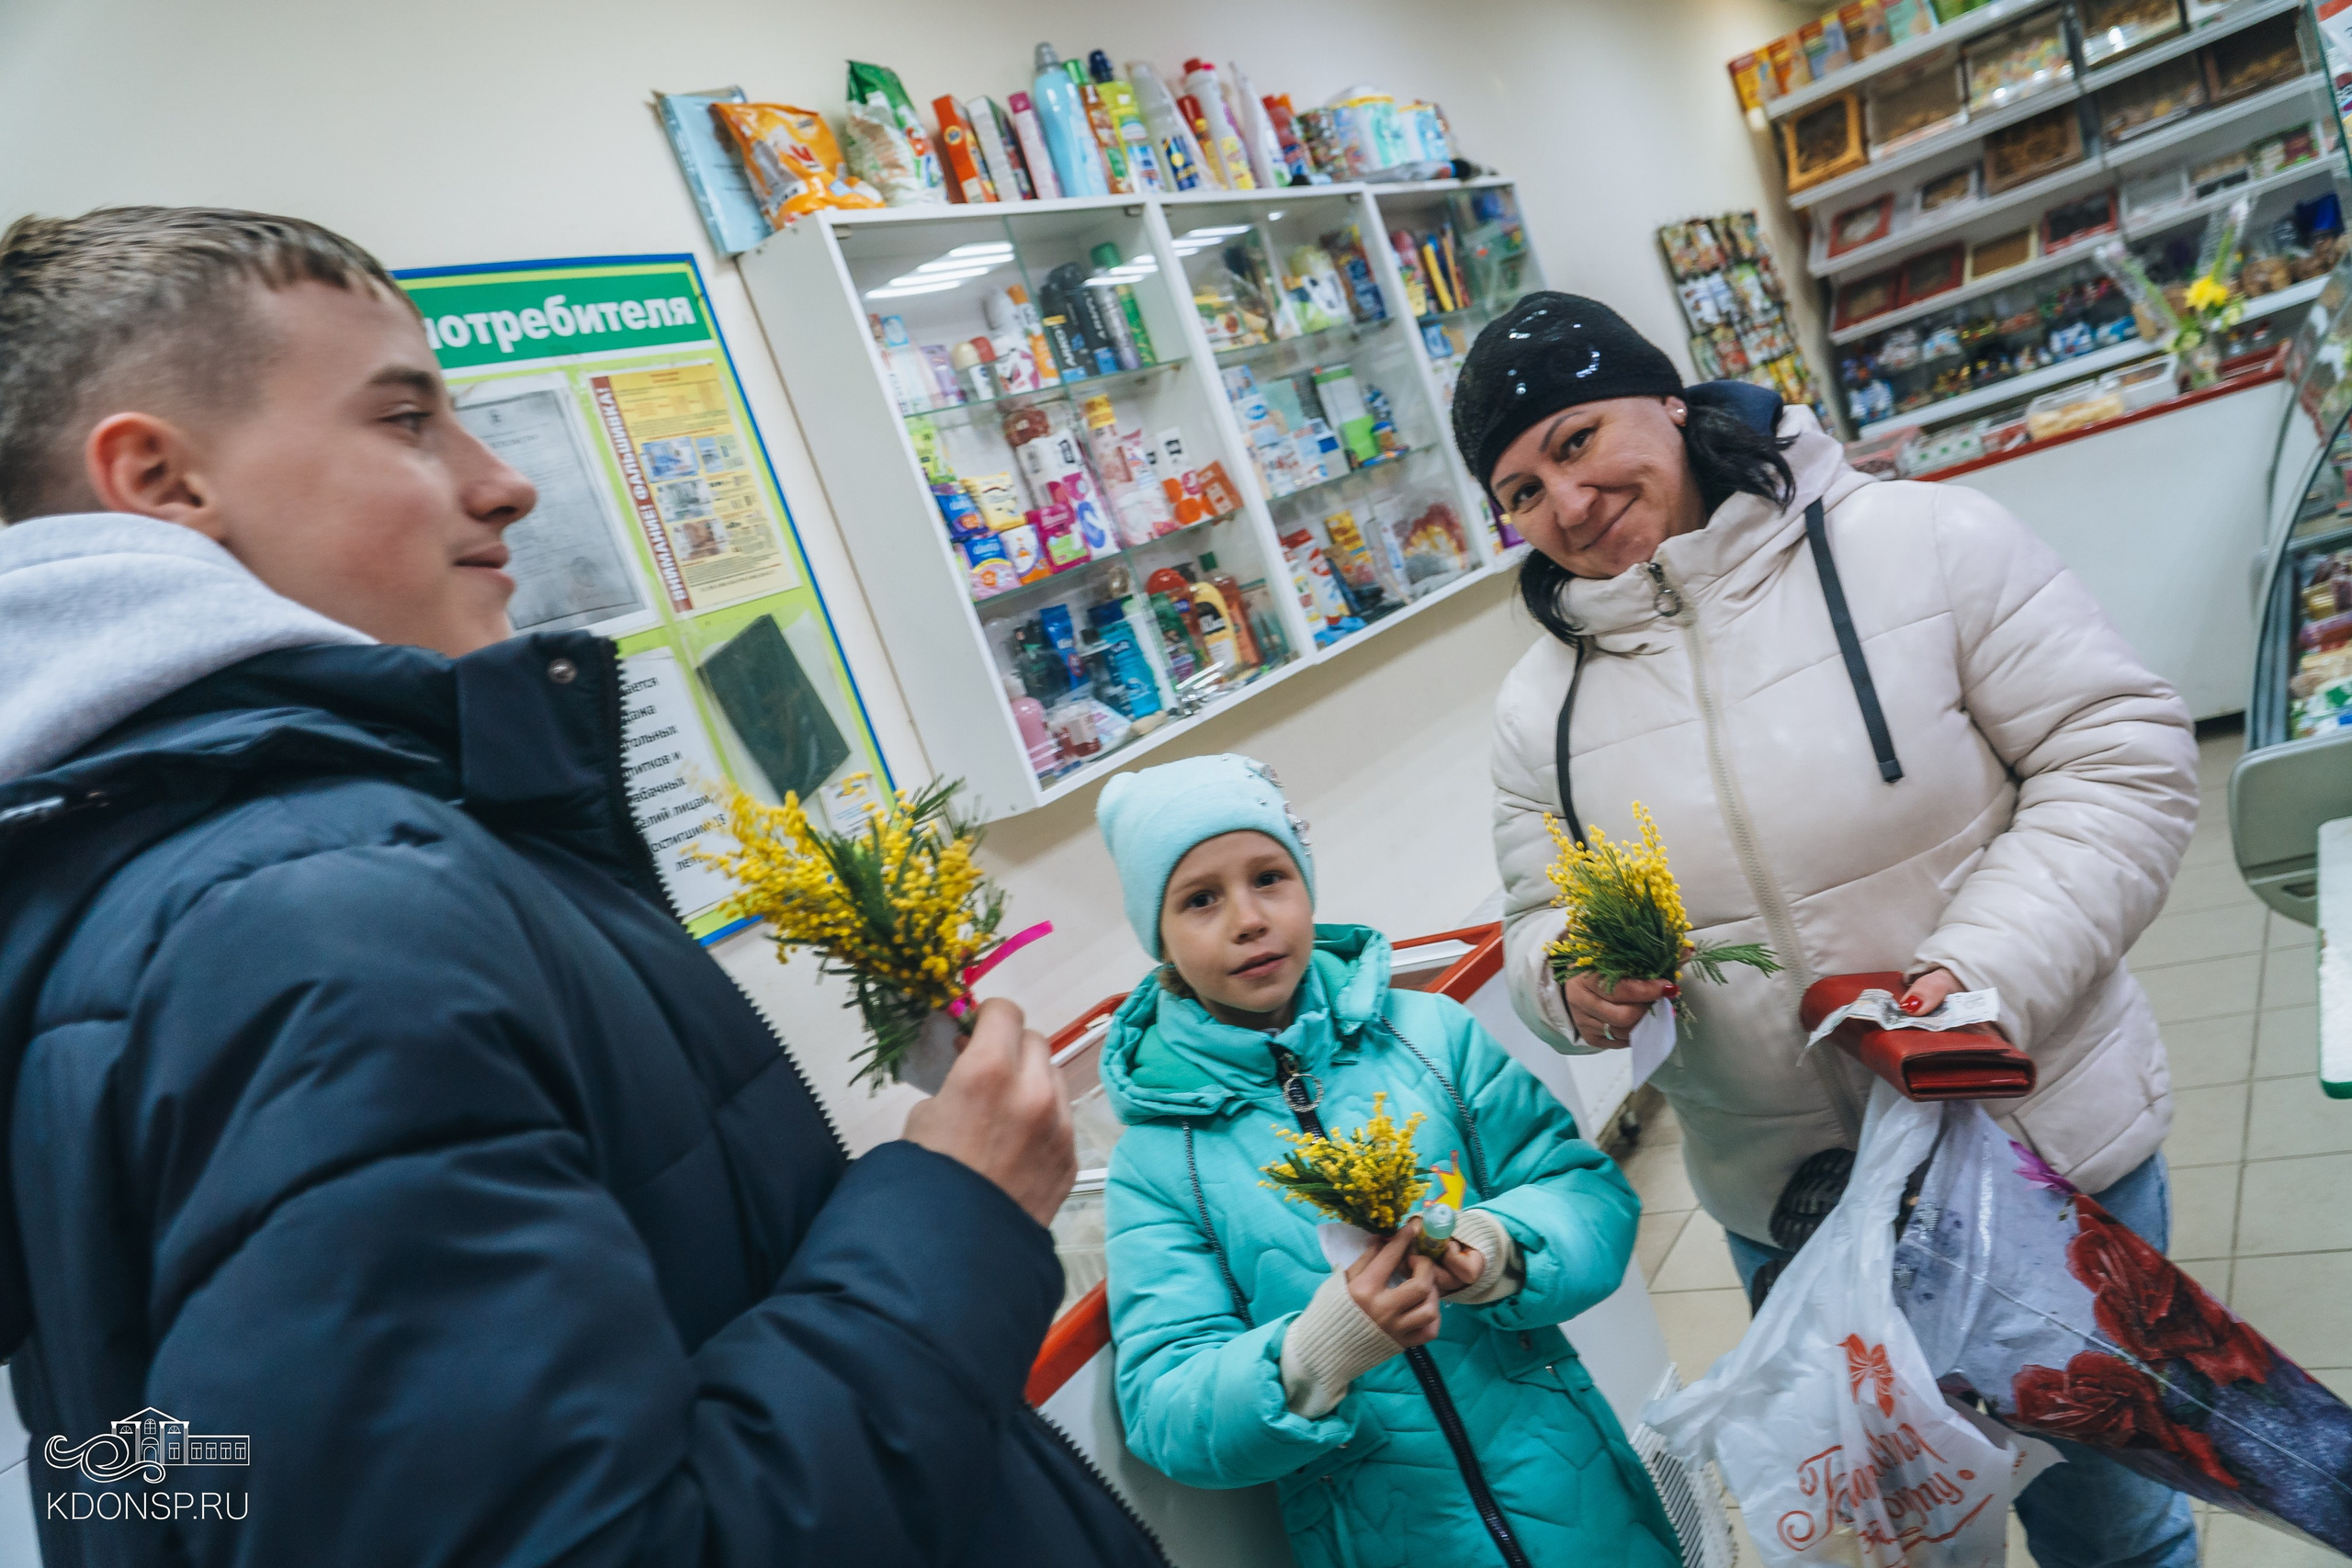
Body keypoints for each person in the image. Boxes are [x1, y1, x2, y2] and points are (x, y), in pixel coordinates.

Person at [0, 206, 1165, 1567]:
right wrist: (955, 1211)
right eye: (406, 421)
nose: (505, 483)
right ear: (160, 478)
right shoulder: (311, 916)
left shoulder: (150, 886)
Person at [1463, 293, 2200, 1568]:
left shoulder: (1926, 543)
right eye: (1521, 490)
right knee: (1910, 1549)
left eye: (1578, 440)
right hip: (1798, 1219)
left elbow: (2120, 758)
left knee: (2115, 1528)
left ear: (1672, 403)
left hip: (2043, 1158)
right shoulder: (1541, 710)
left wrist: (1973, 982)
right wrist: (1569, 982)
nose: (1566, 505)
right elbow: (1539, 917)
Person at [1091, 753, 1679, 1568]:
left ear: (1306, 881)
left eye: (1269, 876)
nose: (1249, 918)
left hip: (1573, 1498)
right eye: (1199, 898)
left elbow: (1584, 1191)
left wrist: (1499, 1248)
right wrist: (1315, 1351)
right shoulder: (1160, 1161)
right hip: (1384, 1536)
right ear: (1156, 935)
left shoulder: (1432, 1037)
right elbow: (1163, 1405)